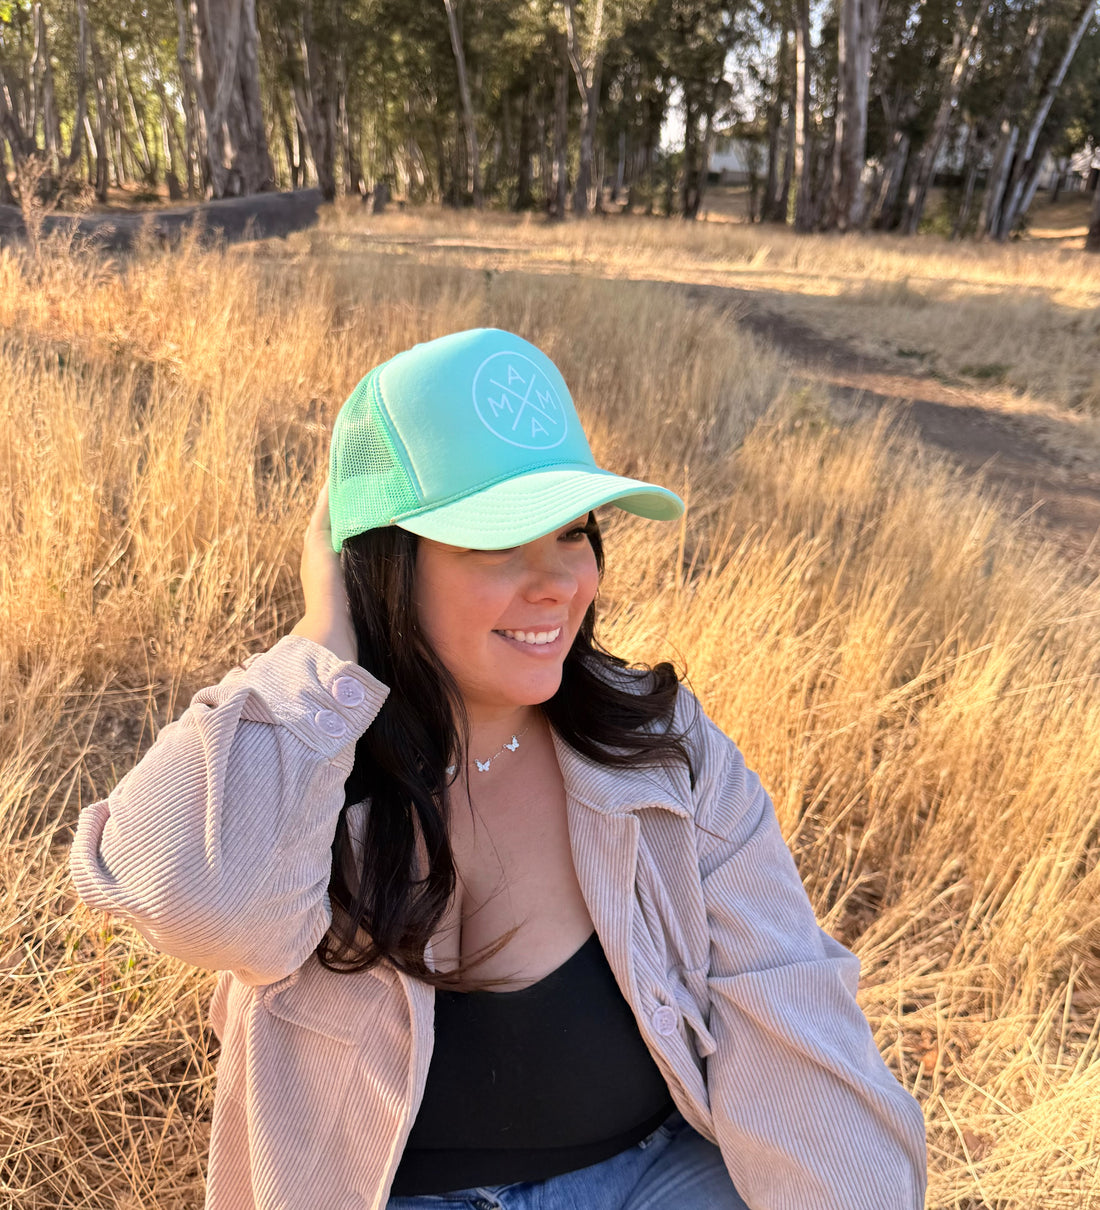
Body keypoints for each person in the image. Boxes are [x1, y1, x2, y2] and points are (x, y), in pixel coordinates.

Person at [71, 328, 927, 1210]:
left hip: (655, 1176)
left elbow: (787, 1005)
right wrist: (322, 639)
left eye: (571, 532)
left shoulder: (661, 746)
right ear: (386, 565)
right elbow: (187, 898)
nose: (557, 582)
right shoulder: (307, 763)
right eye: (495, 542)